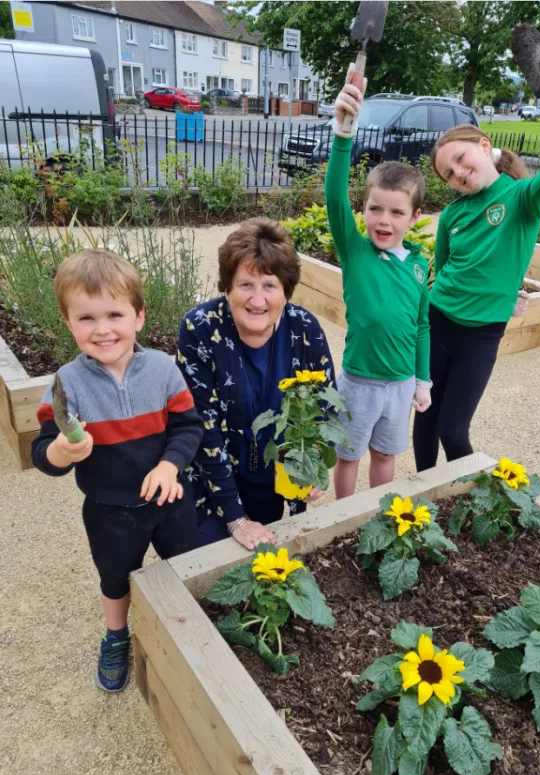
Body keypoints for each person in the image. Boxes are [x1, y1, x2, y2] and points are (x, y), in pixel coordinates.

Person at [31, 250, 203, 693]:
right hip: (110, 508)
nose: (103, 329)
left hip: (169, 498)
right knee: (114, 576)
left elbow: (187, 427)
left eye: (115, 314)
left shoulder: (164, 369)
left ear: (139, 317)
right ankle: (116, 635)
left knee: (187, 562)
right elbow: (42, 449)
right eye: (86, 318)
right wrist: (61, 454)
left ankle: (195, 627)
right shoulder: (66, 383)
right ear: (69, 323)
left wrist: (170, 465)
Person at [412, 109, 540, 472]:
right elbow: (446, 266)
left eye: (461, 159)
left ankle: (464, 502)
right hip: (436, 323)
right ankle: (425, 497)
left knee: (453, 430)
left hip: (480, 338)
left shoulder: (522, 199)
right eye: (449, 174)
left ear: (484, 146)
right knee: (425, 417)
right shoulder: (452, 214)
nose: (459, 174)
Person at [176, 218, 335, 550]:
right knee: (206, 562)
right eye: (245, 284)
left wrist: (315, 463)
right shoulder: (200, 328)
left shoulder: (304, 328)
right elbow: (202, 429)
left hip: (275, 481)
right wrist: (235, 519)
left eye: (270, 286)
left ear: (286, 290)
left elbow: (326, 408)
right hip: (210, 483)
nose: (257, 300)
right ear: (228, 286)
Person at [326, 69, 432, 500]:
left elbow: (422, 326)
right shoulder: (355, 250)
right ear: (364, 209)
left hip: (401, 382)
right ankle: (344, 517)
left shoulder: (420, 266)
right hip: (360, 380)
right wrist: (343, 131)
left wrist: (422, 380)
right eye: (374, 209)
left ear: (415, 218)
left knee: (385, 456)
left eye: (395, 212)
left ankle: (375, 515)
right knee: (348, 456)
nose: (383, 220)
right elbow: (334, 195)